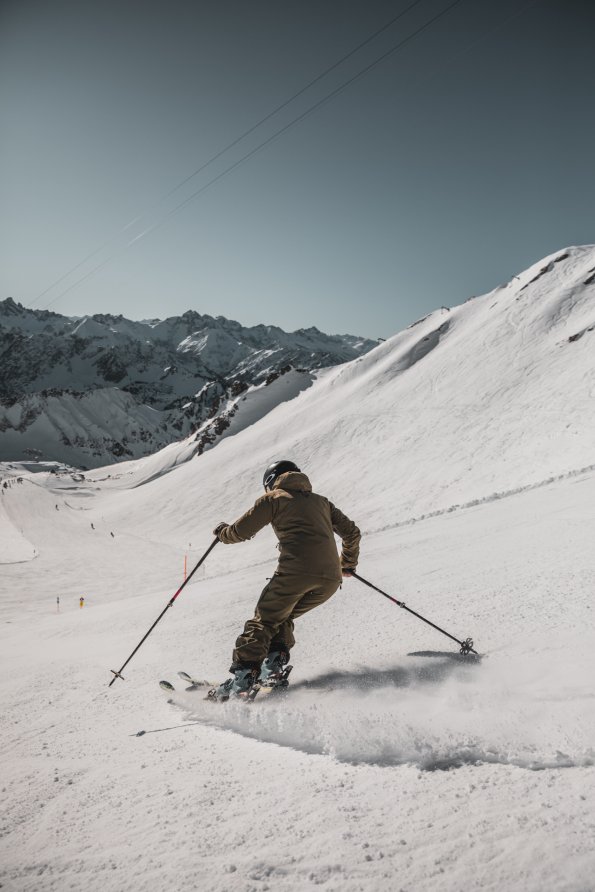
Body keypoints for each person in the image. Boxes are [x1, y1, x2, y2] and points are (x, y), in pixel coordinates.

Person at [211, 460, 360, 700]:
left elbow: (241, 531)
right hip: (330, 581)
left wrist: (222, 533)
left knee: (264, 620)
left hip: (295, 573)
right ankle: (272, 668)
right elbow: (352, 533)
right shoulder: (322, 502)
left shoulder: (274, 499)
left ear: (271, 482)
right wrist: (348, 564)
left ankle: (243, 678)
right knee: (283, 616)